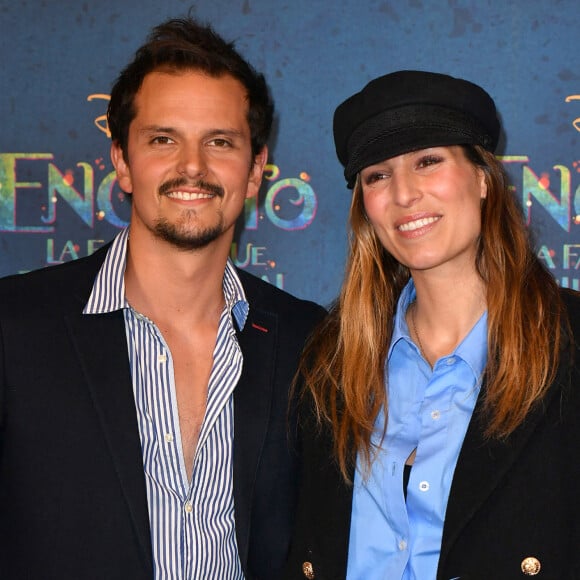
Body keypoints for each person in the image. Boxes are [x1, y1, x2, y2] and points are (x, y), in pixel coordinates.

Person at [0, 17, 324, 580]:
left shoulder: (310, 342)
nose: (192, 166)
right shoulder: (13, 327)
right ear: (122, 162)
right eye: (163, 140)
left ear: (255, 171)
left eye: (219, 142)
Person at [283, 70, 580, 580]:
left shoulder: (570, 341)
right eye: (377, 175)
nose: (404, 194)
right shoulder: (329, 360)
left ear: (483, 177)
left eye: (428, 162)